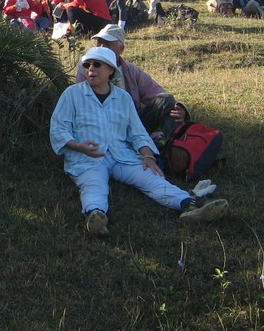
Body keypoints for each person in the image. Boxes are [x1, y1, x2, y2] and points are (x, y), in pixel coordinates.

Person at [50, 47, 229, 236]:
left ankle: (190, 204)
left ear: (111, 70)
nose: (90, 69)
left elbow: (137, 132)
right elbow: (58, 128)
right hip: (87, 157)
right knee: (93, 184)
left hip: (122, 155)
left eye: (97, 65)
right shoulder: (72, 94)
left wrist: (147, 155)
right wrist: (79, 147)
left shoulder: (123, 98)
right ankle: (95, 215)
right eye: (87, 65)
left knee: (152, 179)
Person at [75, 24, 178, 143]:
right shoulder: (87, 69)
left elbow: (156, 93)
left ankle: (175, 145)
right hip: (101, 125)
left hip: (134, 122)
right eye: (99, 43)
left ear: (121, 49)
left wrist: (178, 107)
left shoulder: (131, 70)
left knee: (167, 100)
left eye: (108, 44)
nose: (102, 47)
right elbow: (81, 102)